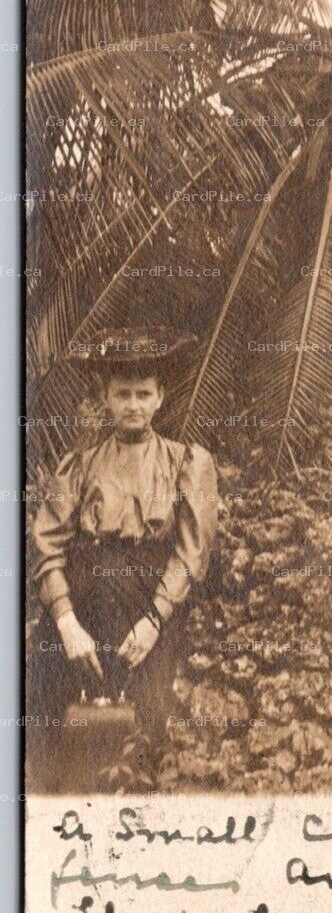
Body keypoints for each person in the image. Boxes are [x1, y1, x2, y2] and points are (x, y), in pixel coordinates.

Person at [27, 328, 217, 789]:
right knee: (45, 696)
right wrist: (68, 624)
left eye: (143, 394)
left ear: (160, 399)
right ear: (107, 400)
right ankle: (53, 816)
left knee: (151, 720)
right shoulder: (81, 465)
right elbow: (47, 545)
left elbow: (192, 552)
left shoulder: (184, 463)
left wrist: (154, 620)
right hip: (85, 600)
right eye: (122, 394)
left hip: (150, 601)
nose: (133, 404)